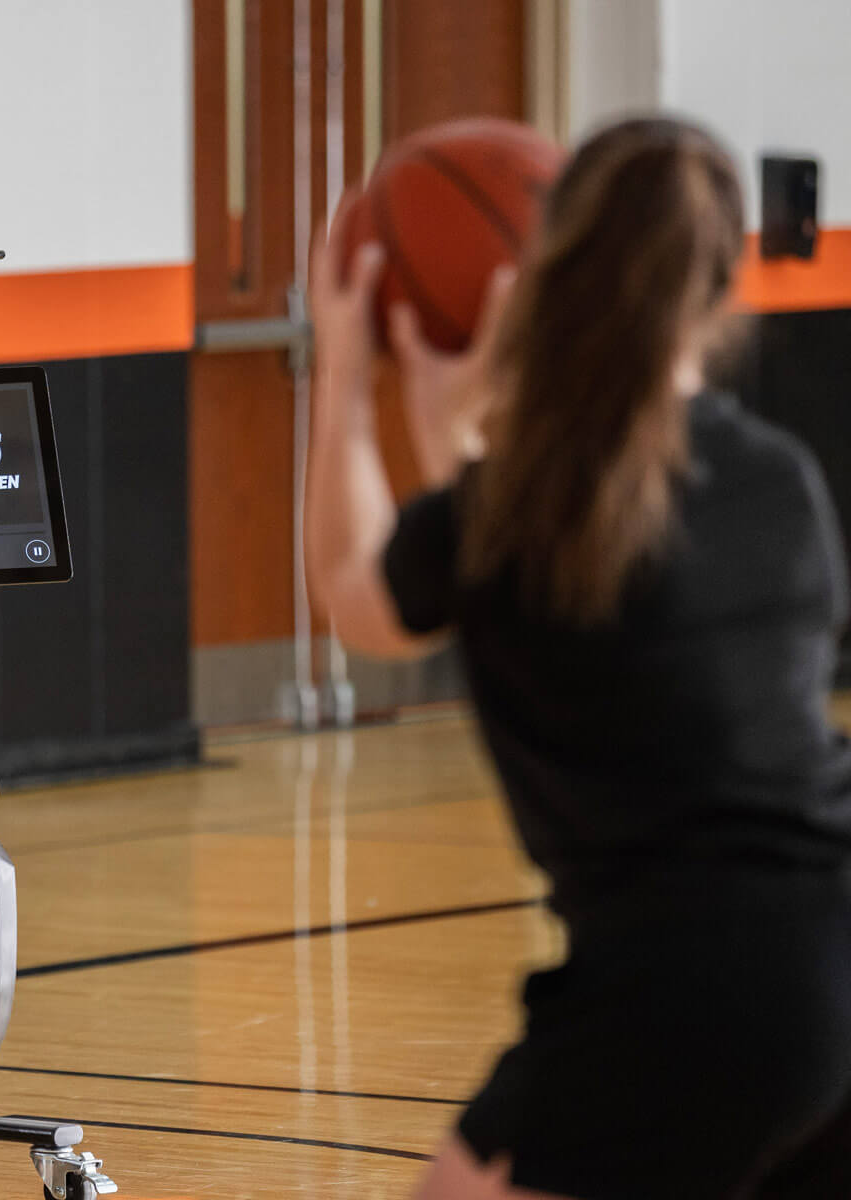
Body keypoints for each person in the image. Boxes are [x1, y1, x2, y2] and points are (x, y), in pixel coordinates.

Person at [306, 115, 851, 1199]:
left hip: (698, 976)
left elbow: (364, 600)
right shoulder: (781, 480)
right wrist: (464, 445)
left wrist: (346, 384)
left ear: (555, 267)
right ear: (717, 281)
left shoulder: (519, 509)